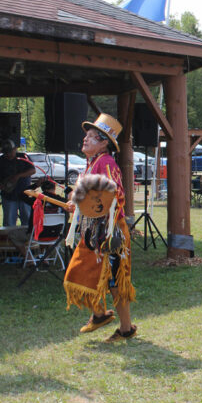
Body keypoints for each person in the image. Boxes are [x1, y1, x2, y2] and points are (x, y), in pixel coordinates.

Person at [64, 113, 136, 343]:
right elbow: (92, 198)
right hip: (97, 229)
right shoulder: (93, 163)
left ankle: (125, 328)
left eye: (91, 137)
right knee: (86, 271)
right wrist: (76, 203)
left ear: (104, 142)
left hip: (109, 231)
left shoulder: (105, 162)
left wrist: (82, 205)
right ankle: (99, 315)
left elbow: (113, 196)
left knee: (114, 279)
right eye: (85, 136)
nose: (85, 140)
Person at [0, 140, 35, 227]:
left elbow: (32, 170)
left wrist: (18, 176)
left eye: (10, 152)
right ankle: (9, 239)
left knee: (27, 220)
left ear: (15, 149)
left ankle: (26, 239)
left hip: (25, 194)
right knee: (9, 222)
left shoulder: (23, 157)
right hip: (8, 195)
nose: (8, 154)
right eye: (6, 153)